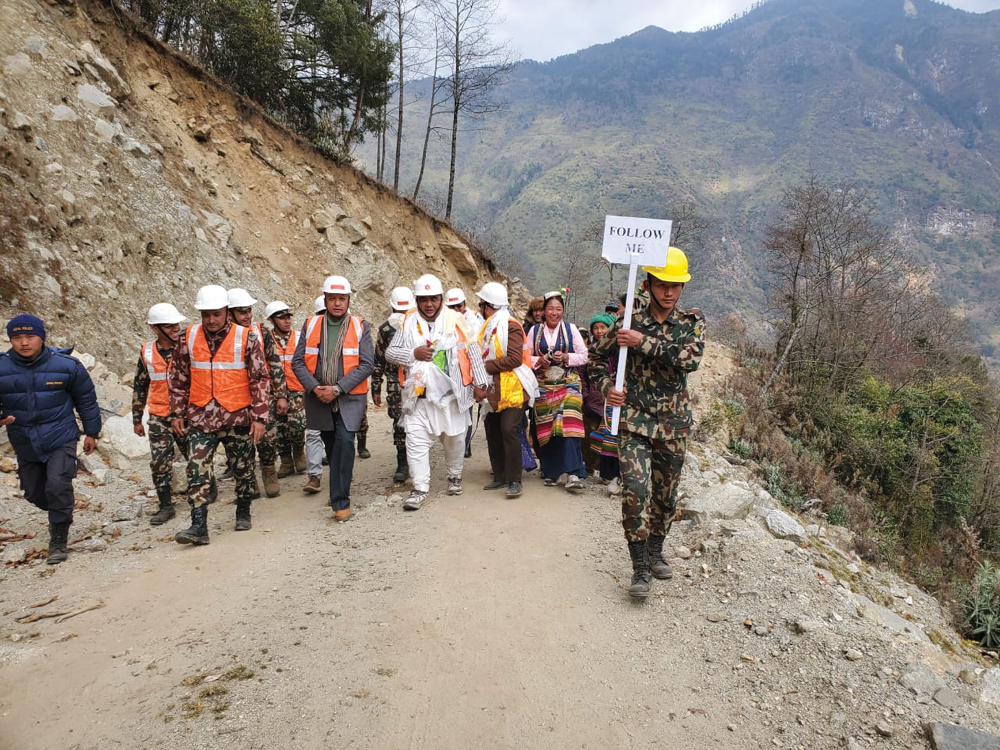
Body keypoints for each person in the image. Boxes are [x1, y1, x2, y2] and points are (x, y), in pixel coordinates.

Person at [589, 247, 705, 600]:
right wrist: (609, 388)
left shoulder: (691, 322)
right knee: (635, 492)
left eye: (675, 286)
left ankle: (657, 550)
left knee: (666, 497)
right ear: (649, 282)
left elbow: (689, 359)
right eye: (662, 284)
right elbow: (596, 358)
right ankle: (639, 566)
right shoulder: (628, 322)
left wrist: (644, 343)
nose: (669, 292)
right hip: (635, 421)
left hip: (674, 424)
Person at [168, 285, 271, 544]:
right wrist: (176, 412)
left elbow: (260, 379)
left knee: (243, 468)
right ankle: (198, 525)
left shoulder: (246, 337)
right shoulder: (187, 337)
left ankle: (243, 510)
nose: (211, 320)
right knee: (197, 468)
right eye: (205, 315)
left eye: (216, 314)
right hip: (201, 416)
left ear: (226, 311)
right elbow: (178, 378)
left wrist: (259, 417)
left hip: (237, 417)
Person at [0, 314, 101, 564]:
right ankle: (61, 508)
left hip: (61, 436)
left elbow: (86, 400)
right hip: (24, 439)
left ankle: (58, 539)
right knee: (34, 492)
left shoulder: (67, 366)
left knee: (57, 485)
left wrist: (92, 432)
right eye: (17, 337)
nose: (24, 342)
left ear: (42, 337)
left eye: (30, 336)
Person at [385, 274, 490, 510]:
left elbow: (472, 351)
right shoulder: (408, 321)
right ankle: (420, 488)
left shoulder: (456, 320)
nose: (429, 304)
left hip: (452, 396)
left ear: (440, 298)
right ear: (417, 300)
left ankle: (454, 476)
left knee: (454, 439)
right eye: (424, 299)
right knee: (416, 441)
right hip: (418, 396)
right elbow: (390, 353)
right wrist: (414, 354)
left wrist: (480, 384)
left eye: (433, 299)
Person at [291, 276, 374, 522]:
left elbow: (367, 364)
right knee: (332, 446)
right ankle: (338, 488)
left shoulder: (360, 325)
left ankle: (340, 501)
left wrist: (337, 389)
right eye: (332, 299)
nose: (337, 303)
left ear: (348, 299)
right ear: (325, 300)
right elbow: (297, 362)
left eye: (342, 299)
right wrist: (315, 388)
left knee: (346, 443)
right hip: (319, 398)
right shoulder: (311, 324)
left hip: (349, 398)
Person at [473, 282, 538, 499]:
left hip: (513, 387)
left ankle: (514, 480)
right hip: (493, 387)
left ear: (488, 305)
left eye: (481, 303)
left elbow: (514, 359)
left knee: (508, 429)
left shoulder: (510, 326)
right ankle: (499, 475)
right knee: (492, 428)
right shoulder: (488, 326)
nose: (480, 307)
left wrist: (484, 367)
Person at [132, 303, 190, 526]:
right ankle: (166, 505)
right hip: (159, 415)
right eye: (169, 325)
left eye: (177, 324)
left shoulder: (187, 347)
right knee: (159, 462)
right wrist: (137, 418)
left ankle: (206, 489)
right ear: (155, 329)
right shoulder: (147, 352)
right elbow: (140, 385)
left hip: (186, 414)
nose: (176, 328)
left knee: (195, 456)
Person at [228, 288, 288, 498]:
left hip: (262, 397)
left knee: (267, 439)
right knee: (239, 446)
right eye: (242, 312)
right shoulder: (223, 336)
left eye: (249, 310)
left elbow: (275, 364)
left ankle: (269, 471)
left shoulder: (261, 332)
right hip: (234, 400)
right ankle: (248, 480)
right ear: (229, 313)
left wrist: (281, 394)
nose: (247, 316)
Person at [528, 292, 589, 493]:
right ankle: (552, 471)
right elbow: (525, 357)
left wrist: (566, 356)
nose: (554, 313)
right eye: (550, 309)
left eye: (558, 309)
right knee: (547, 427)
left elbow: (584, 355)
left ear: (563, 311)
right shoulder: (534, 331)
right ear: (543, 311)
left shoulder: (571, 330)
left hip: (568, 381)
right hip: (544, 384)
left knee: (569, 423)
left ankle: (573, 472)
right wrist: (539, 361)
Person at [372, 286, 415, 483]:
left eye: (403, 311)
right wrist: (375, 387)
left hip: (418, 380)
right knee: (399, 422)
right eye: (400, 311)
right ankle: (402, 463)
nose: (402, 315)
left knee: (420, 421)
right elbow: (378, 360)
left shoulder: (419, 326)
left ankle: (417, 459)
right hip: (395, 383)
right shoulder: (385, 330)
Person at [265, 300, 307, 479]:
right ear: (272, 320)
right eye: (281, 318)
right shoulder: (267, 339)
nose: (286, 321)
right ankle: (286, 461)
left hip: (296, 389)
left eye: (288, 317)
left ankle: (298, 451)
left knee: (297, 426)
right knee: (279, 428)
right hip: (274, 391)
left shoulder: (299, 337)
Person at [582, 312, 621, 495]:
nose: (599, 332)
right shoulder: (592, 350)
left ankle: (618, 475)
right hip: (600, 399)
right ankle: (605, 472)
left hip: (619, 397)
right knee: (606, 436)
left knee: (616, 434)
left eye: (603, 328)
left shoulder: (620, 350)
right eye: (596, 328)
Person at [446, 287, 484, 459]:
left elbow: (476, 349)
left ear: (464, 305)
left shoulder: (474, 321)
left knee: (466, 411)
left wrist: (480, 380)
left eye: (458, 306)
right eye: (452, 307)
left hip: (468, 375)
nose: (456, 310)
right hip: (450, 375)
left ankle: (465, 445)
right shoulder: (444, 322)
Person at [302, 295, 327, 493]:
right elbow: (298, 362)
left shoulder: (350, 330)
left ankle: (340, 477)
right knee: (313, 434)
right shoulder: (308, 330)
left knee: (341, 437)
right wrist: (314, 387)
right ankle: (314, 476)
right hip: (314, 392)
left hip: (340, 393)